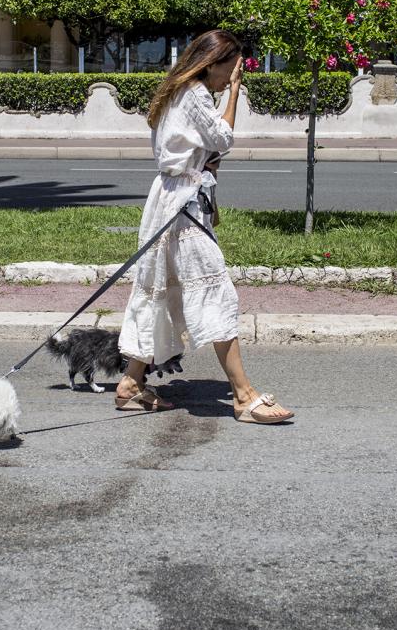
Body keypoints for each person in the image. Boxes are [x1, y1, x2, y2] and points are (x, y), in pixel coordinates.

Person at [115, 30, 295, 424]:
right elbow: (223, 138)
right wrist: (234, 95)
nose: (233, 74)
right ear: (214, 62)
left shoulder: (176, 89)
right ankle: (244, 396)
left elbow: (204, 152)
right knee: (215, 289)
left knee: (160, 292)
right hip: (182, 207)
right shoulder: (195, 93)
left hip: (171, 199)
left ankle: (131, 384)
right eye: (232, 67)